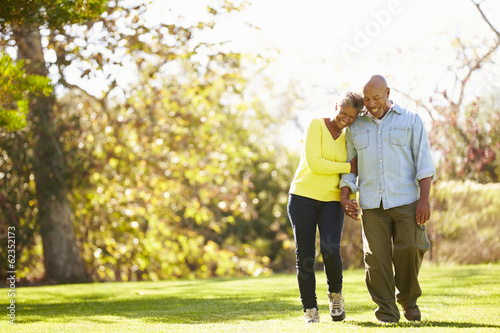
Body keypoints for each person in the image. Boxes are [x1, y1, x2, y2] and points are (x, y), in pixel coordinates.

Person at [340, 75, 436, 323]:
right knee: (376, 260)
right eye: (367, 99)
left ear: (388, 93)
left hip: (407, 200)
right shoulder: (356, 126)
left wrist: (424, 200)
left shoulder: (411, 120)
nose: (371, 104)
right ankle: (386, 312)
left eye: (376, 98)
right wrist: (345, 194)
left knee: (412, 248)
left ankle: (408, 299)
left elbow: (424, 163)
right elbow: (351, 165)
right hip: (372, 204)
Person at [287, 91, 364, 324]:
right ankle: (310, 309)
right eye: (343, 113)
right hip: (303, 196)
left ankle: (335, 296)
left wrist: (350, 188)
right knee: (306, 255)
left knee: (331, 249)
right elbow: (315, 162)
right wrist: (347, 166)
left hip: (332, 200)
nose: (347, 119)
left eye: (352, 116)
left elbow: (354, 172)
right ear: (335, 107)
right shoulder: (315, 125)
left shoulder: (351, 136)